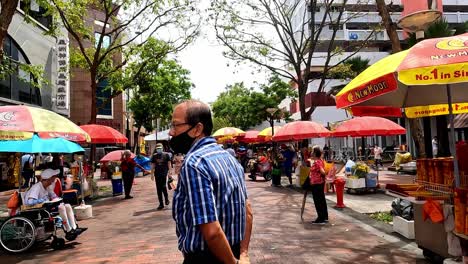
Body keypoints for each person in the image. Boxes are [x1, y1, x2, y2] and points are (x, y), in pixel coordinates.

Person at [169, 100, 253, 264]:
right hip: (234, 252)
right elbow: (248, 212)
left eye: (176, 126)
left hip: (206, 258)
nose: (171, 132)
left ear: (197, 129)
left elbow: (212, 231)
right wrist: (243, 254)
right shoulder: (230, 158)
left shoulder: (194, 163)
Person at [23, 169, 87, 235]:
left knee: (67, 205)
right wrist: (42, 200)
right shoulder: (37, 187)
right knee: (61, 207)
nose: (54, 180)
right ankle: (68, 230)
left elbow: (54, 196)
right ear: (48, 179)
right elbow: (29, 202)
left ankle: (74, 227)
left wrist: (56, 199)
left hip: (45, 208)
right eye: (52, 178)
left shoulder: (47, 187)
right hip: (37, 211)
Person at [309, 146, 328, 224]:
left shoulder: (317, 162)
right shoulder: (320, 161)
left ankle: (321, 218)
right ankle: (324, 217)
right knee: (321, 200)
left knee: (318, 201)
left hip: (317, 184)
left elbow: (323, 172)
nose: (311, 152)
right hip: (319, 183)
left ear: (315, 153)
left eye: (312, 151)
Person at [151, 143, 172, 209]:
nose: (158, 149)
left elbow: (169, 164)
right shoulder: (154, 156)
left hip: (164, 173)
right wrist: (152, 174)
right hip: (157, 173)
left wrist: (169, 172)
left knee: (163, 186)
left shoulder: (166, 155)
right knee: (158, 188)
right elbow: (153, 165)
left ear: (162, 148)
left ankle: (166, 199)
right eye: (157, 148)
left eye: (159, 148)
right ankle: (161, 203)